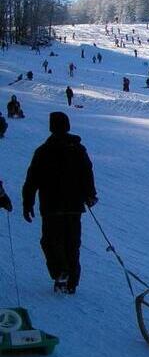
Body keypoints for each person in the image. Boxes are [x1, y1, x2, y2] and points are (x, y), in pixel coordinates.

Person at [22, 112, 97, 294]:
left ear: (51, 127)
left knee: (51, 241)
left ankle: (61, 272)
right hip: (73, 206)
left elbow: (32, 179)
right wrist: (90, 194)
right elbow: (87, 173)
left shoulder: (43, 151)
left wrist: (28, 203)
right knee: (72, 243)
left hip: (51, 206)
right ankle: (71, 282)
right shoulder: (78, 150)